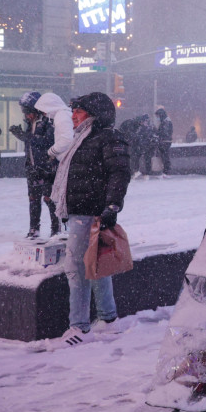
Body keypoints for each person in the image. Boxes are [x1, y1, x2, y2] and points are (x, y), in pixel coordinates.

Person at [50, 92, 131, 347]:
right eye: (73, 111)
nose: (73, 116)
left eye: (79, 112)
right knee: (95, 265)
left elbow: (119, 173)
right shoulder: (83, 139)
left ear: (94, 115)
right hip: (80, 211)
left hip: (90, 212)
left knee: (75, 268)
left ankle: (79, 327)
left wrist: (112, 205)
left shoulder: (107, 138)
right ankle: (108, 319)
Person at [8, 92, 60, 237]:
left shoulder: (49, 122)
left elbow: (48, 142)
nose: (26, 116)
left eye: (28, 112)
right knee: (33, 199)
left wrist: (27, 137)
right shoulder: (30, 124)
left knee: (50, 199)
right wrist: (24, 136)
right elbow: (32, 142)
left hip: (47, 168)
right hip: (32, 167)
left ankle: (56, 229)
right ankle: (34, 228)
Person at [154, 107, 173, 177]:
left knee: (165, 157)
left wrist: (157, 134)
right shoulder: (165, 121)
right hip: (165, 141)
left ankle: (166, 172)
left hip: (165, 141)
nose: (157, 118)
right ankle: (166, 172)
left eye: (158, 116)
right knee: (165, 157)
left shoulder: (166, 122)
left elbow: (164, 132)